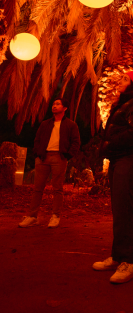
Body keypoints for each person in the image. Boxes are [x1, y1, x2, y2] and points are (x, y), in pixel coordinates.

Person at [92, 71, 133, 284]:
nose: (120, 81)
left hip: (130, 159)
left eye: (126, 79)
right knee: (118, 209)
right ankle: (118, 256)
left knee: (125, 209)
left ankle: (129, 262)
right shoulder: (125, 104)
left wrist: (109, 144)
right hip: (119, 159)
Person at [19, 98, 80, 229]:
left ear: (64, 108)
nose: (54, 106)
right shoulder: (45, 124)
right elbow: (37, 139)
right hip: (43, 157)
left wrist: (67, 155)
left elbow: (76, 142)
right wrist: (37, 153)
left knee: (57, 188)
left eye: (58, 104)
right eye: (53, 104)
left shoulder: (71, 125)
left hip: (59, 157)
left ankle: (55, 216)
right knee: (37, 188)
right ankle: (32, 217)